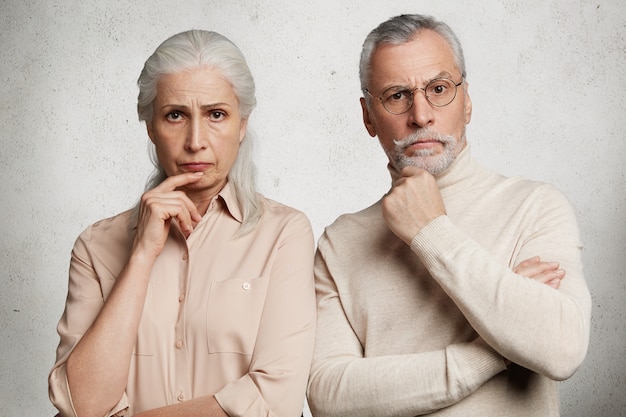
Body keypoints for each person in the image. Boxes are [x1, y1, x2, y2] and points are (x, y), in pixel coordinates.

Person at [306, 14, 591, 416]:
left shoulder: (535, 206)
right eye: (396, 95)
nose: (421, 115)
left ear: (467, 100)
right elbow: (329, 396)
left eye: (439, 89)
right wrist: (493, 352)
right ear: (368, 116)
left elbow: (561, 348)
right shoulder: (341, 241)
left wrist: (430, 230)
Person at [49, 30, 316, 417]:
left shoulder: (284, 234)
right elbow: (81, 403)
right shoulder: (95, 246)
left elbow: (273, 400)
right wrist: (142, 256)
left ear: (242, 125)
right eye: (175, 115)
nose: (195, 140)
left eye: (216, 114)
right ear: (150, 127)